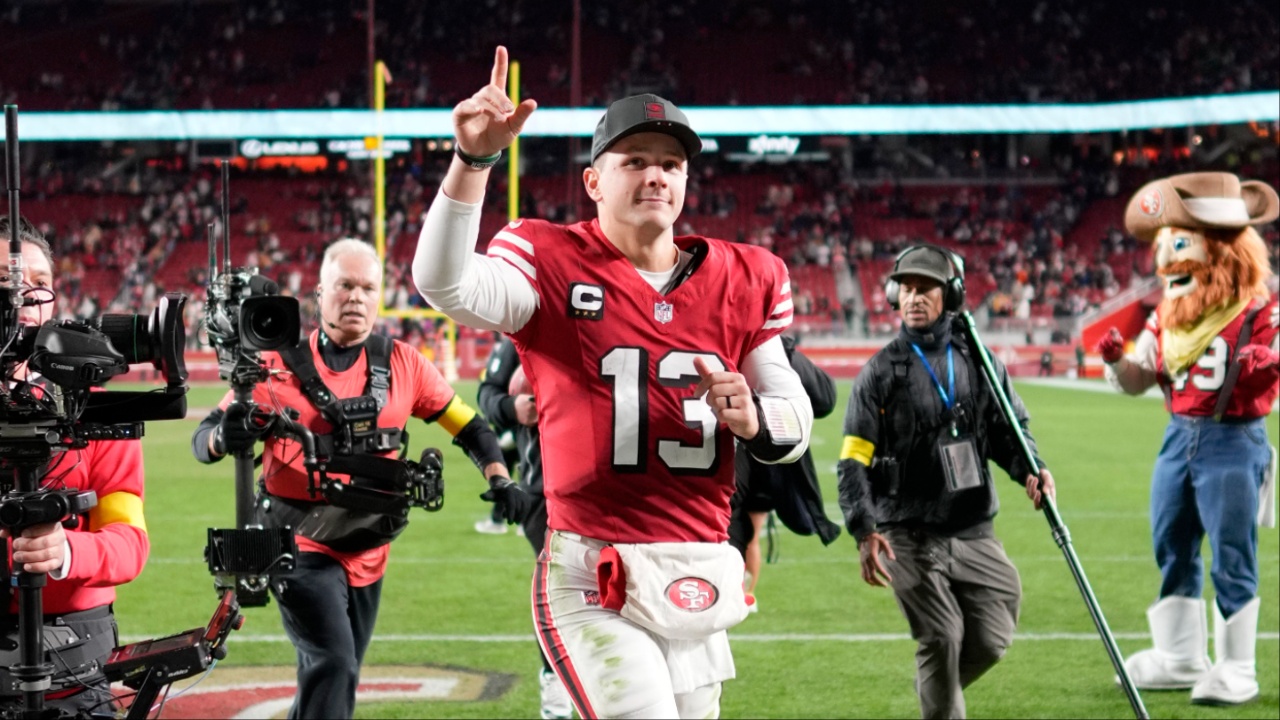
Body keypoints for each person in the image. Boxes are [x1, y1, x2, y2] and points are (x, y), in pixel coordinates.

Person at [413, 47, 814, 718]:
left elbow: (793, 420)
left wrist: (755, 419)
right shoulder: (548, 258)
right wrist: (473, 162)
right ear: (594, 181)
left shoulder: (747, 277)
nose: (656, 175)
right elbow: (443, 282)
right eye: (634, 161)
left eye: (670, 164)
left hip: (695, 562)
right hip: (590, 566)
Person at [192, 238, 529, 719]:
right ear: (319, 294)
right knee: (333, 663)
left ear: (380, 296)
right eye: (344, 285)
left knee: (335, 672)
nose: (356, 296)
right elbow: (204, 438)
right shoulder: (274, 367)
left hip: (370, 546)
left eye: (368, 287)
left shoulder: (405, 364)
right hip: (298, 543)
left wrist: (500, 479)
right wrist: (224, 438)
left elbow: (470, 426)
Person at [837, 244, 1055, 720]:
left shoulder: (980, 361)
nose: (914, 298)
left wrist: (1031, 469)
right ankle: (941, 700)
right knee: (942, 636)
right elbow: (854, 458)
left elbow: (1008, 431)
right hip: (906, 533)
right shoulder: (879, 372)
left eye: (926, 289)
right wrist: (863, 528)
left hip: (972, 529)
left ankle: (937, 693)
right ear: (895, 295)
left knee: (993, 639)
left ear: (951, 295)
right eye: (907, 288)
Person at [1098, 172, 1277, 706]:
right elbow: (1137, 381)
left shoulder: (1260, 309)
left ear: (1223, 250)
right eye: (1167, 245)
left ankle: (1237, 666)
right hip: (1179, 437)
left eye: (1181, 243)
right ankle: (1180, 656)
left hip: (1234, 440)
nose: (1169, 260)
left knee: (1230, 552)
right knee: (1171, 542)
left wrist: (1268, 363)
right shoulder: (1168, 317)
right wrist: (1116, 362)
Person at [0, 218, 149, 716]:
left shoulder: (94, 411)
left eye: (39, 284)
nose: (23, 296)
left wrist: (67, 552)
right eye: (5, 283)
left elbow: (130, 544)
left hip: (77, 659)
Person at [476, 336, 572, 719]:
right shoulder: (520, 334)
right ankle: (556, 691)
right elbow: (487, 395)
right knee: (559, 591)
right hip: (544, 490)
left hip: (610, 486)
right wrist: (510, 406)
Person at [727, 335, 841, 612]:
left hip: (751, 459)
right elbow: (825, 397)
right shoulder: (764, 346)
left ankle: (743, 593)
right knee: (744, 532)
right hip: (751, 460)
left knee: (743, 532)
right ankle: (744, 594)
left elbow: (824, 398)